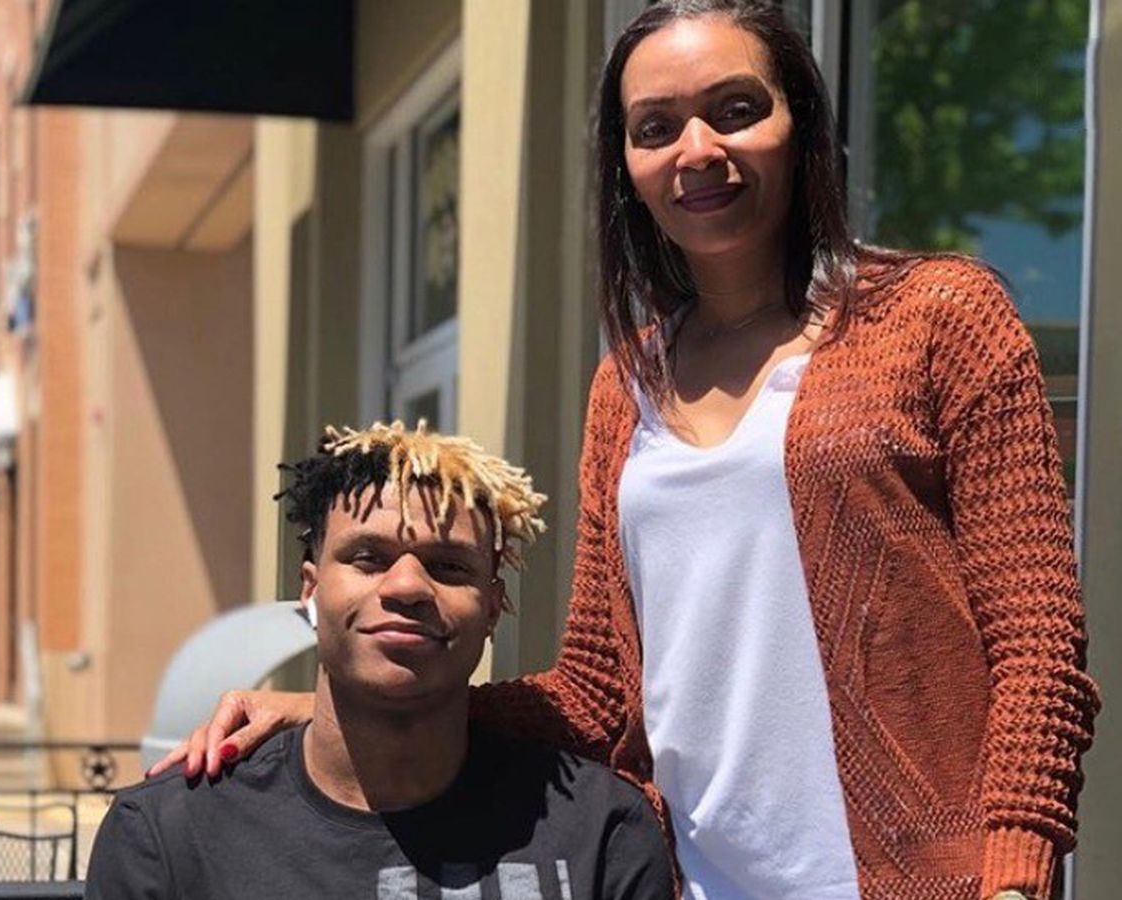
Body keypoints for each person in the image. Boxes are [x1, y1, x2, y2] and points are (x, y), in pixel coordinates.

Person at [149, 3, 1100, 899]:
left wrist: (1016, 871)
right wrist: (344, 711)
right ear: (628, 167)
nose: (699, 150)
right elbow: (598, 695)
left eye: (737, 110)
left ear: (800, 125)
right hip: (687, 879)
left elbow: (1040, 643)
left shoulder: (938, 319)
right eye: (656, 128)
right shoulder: (627, 385)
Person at [88, 423, 675, 900]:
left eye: (449, 566)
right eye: (368, 557)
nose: (407, 586)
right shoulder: (171, 835)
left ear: (494, 608)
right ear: (311, 591)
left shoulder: (601, 833)